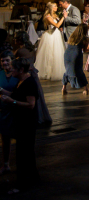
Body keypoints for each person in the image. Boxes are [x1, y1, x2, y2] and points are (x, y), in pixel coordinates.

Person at [1, 58, 40, 194]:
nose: (11, 70)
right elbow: (17, 95)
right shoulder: (21, 81)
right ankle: (33, 179)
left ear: (21, 70)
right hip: (22, 123)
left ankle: (22, 184)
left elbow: (30, 104)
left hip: (27, 124)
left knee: (23, 154)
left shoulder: (29, 83)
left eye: (13, 68)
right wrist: (4, 92)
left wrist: (12, 102)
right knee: (27, 153)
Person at [13, 33, 51, 126]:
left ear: (19, 40)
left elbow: (15, 62)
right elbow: (33, 61)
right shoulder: (31, 50)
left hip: (25, 73)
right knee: (37, 95)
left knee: (27, 95)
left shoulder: (19, 51)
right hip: (33, 73)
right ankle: (39, 115)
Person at [34, 2, 67, 81]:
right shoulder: (47, 17)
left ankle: (55, 70)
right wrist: (63, 17)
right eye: (55, 6)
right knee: (49, 54)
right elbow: (57, 25)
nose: (56, 7)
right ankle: (48, 72)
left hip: (56, 35)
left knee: (56, 54)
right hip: (50, 36)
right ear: (51, 8)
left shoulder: (55, 15)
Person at [0, 51, 18, 175]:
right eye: (2, 61)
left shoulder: (17, 74)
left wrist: (2, 91)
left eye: (7, 60)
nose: (5, 63)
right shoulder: (0, 74)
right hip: (2, 111)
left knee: (18, 138)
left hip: (15, 110)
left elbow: (18, 94)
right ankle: (6, 164)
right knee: (5, 139)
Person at [62, 24, 89, 95]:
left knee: (67, 71)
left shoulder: (72, 36)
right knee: (79, 71)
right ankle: (85, 89)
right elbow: (85, 50)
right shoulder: (84, 38)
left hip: (67, 54)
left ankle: (64, 88)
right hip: (76, 55)